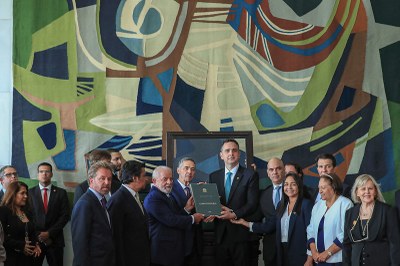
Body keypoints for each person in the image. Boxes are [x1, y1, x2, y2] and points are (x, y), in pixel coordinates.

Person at [232, 172, 313, 266]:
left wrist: (310, 259)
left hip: (300, 254)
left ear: (299, 186)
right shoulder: (281, 205)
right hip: (282, 252)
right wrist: (245, 223)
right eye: (286, 184)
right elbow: (269, 225)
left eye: (293, 184)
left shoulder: (306, 205)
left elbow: (311, 233)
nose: (289, 187)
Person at [208, 139, 259, 266]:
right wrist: (205, 201)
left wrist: (234, 214)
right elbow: (212, 204)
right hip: (220, 235)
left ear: (239, 154)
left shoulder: (250, 175)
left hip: (241, 235)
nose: (231, 153)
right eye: (227, 151)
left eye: (234, 150)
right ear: (221, 155)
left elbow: (252, 204)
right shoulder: (213, 176)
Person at [144, 166, 203, 266]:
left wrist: (187, 209)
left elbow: (173, 215)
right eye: (165, 179)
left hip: (171, 251)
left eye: (171, 179)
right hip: (163, 253)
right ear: (154, 181)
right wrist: (193, 218)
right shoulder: (153, 198)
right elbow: (171, 220)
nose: (169, 182)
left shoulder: (166, 194)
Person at [343, 174, 400, 265]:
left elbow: (395, 244)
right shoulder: (350, 213)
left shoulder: (387, 211)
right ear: (357, 192)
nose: (367, 192)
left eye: (370, 188)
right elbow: (346, 245)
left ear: (375, 191)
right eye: (363, 189)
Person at [71, 161, 115, 266]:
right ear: (91, 181)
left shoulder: (102, 200)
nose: (107, 182)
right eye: (102, 178)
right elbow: (80, 243)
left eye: (109, 179)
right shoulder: (85, 203)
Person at [107, 160, 150, 266]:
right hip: (129, 260)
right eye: (144, 175)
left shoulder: (135, 195)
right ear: (135, 178)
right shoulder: (118, 200)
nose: (146, 179)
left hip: (140, 257)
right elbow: (116, 237)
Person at [306, 173, 353, 265]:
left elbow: (346, 233)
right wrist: (314, 252)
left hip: (338, 260)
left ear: (333, 187)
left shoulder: (346, 204)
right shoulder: (317, 205)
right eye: (319, 188)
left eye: (323, 187)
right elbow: (310, 229)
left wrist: (328, 253)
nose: (320, 191)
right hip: (319, 259)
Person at [28, 162, 70, 266]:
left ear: (51, 174)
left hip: (55, 241)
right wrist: (39, 235)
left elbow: (65, 216)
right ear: (37, 174)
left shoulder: (61, 193)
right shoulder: (29, 193)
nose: (44, 174)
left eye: (47, 171)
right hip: (35, 241)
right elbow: (28, 216)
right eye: (41, 171)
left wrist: (49, 233)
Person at [0, 181, 41, 265]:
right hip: (11, 259)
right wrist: (22, 246)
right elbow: (2, 237)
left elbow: (33, 232)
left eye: (26, 193)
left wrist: (36, 244)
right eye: (22, 193)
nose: (26, 196)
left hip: (29, 259)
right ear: (13, 194)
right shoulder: (3, 211)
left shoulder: (27, 212)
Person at [171, 157, 203, 266]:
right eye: (186, 168)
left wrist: (206, 194)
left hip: (196, 243)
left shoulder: (197, 188)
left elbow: (203, 212)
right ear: (178, 170)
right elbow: (170, 218)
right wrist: (186, 209)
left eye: (193, 169)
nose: (190, 172)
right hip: (178, 243)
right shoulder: (169, 189)